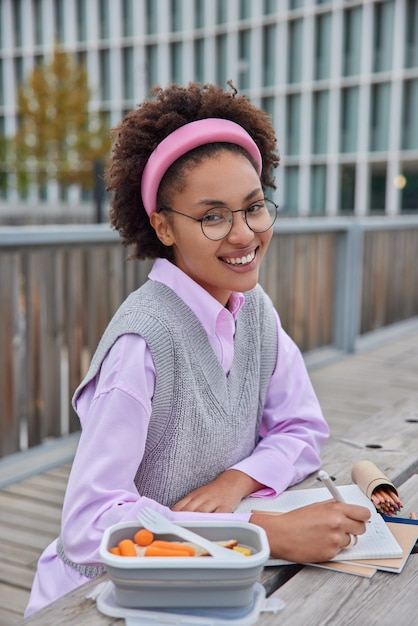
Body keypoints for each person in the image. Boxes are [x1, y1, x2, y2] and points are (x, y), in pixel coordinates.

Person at [25, 82, 370, 617]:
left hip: (209, 580)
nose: (244, 234)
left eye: (254, 207)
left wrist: (237, 481)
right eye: (213, 216)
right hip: (107, 597)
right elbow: (89, 520)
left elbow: (301, 427)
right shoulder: (141, 345)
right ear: (163, 226)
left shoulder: (255, 310)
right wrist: (263, 531)